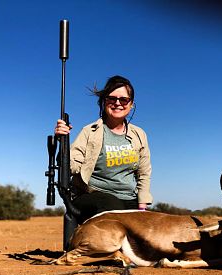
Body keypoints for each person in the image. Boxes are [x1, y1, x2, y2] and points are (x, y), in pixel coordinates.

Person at [55, 75, 153, 223]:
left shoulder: (139, 134)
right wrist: (62, 141)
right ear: (104, 101)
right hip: (93, 196)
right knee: (114, 210)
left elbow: (144, 173)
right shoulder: (89, 132)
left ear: (131, 104)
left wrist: (142, 208)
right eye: (112, 98)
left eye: (123, 99)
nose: (117, 103)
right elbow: (71, 167)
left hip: (128, 199)